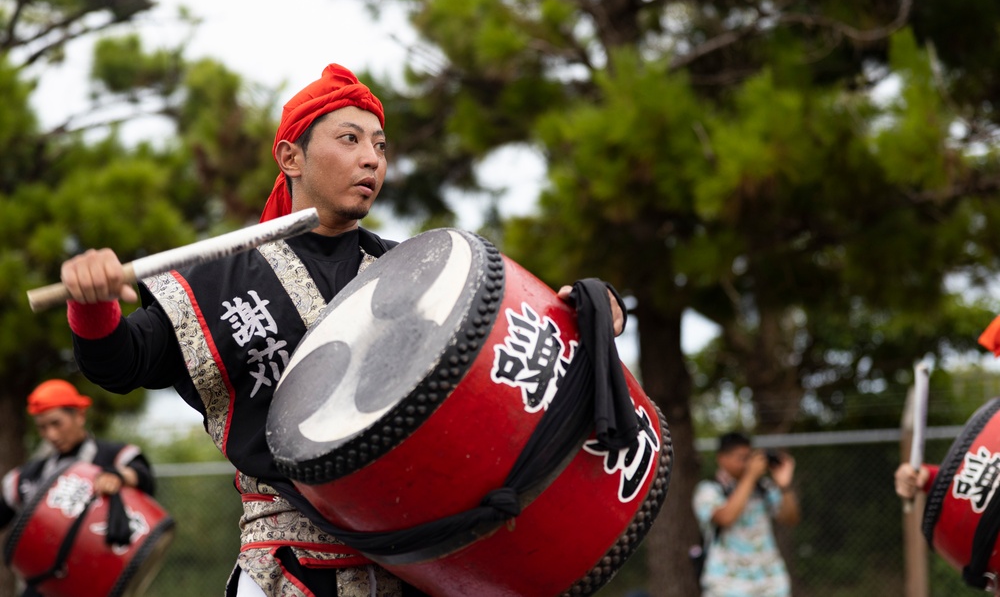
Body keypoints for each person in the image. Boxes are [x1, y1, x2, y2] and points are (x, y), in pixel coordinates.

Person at [58, 63, 627, 597]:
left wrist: (586, 311)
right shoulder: (219, 277)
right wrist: (93, 305)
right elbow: (121, 363)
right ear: (291, 157)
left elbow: (498, 358)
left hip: (417, 565)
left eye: (380, 146)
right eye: (350, 140)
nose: (372, 159)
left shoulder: (418, 272)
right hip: (286, 566)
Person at [0, 379, 156, 596]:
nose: (50, 435)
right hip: (45, 584)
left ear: (79, 416)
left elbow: (144, 476)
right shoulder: (30, 475)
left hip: (99, 579)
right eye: (42, 427)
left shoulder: (111, 455)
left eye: (56, 424)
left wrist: (118, 476)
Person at [692, 431, 801, 597]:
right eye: (741, 458)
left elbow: (790, 518)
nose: (748, 463)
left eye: (749, 456)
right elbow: (725, 518)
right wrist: (750, 476)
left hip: (770, 583)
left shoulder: (764, 487)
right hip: (726, 585)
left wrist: (784, 485)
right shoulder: (709, 490)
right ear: (722, 458)